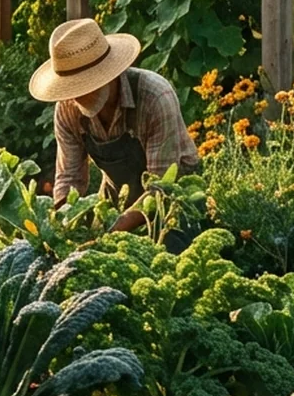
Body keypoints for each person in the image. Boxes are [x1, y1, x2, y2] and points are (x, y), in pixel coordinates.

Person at [28, 18, 199, 234]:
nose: (76, 96)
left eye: (84, 84)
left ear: (108, 74)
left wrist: (111, 232)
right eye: (70, 87)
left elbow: (161, 187)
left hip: (177, 204)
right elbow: (70, 178)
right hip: (117, 201)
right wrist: (64, 222)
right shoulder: (67, 109)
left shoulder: (154, 98)